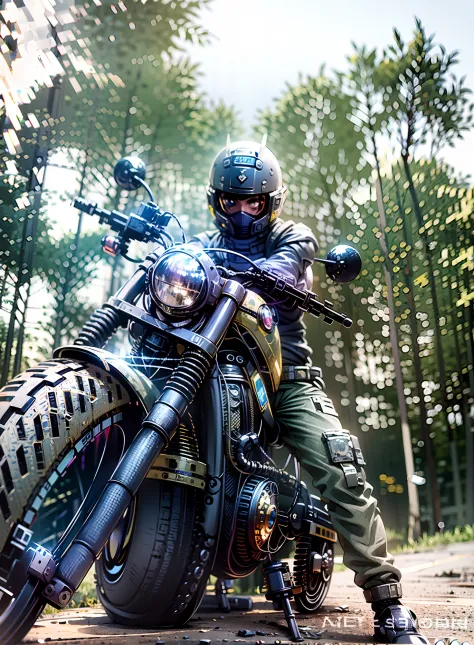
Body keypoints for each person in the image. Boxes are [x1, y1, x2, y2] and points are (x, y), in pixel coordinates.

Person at [189, 138, 428, 645]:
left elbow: (292, 262)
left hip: (285, 378)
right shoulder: (203, 247)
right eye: (230, 200)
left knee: (340, 469)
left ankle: (388, 602)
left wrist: (271, 273)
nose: (241, 210)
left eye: (252, 201)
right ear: (217, 201)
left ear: (270, 203)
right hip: (212, 371)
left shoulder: (293, 236)